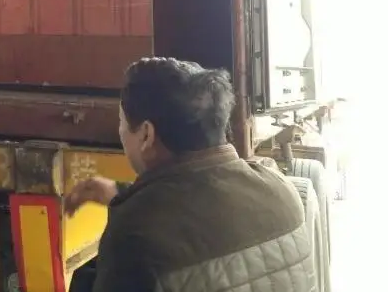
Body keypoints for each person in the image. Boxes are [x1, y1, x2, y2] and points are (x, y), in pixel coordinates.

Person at [64, 58, 316, 292]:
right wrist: (122, 195)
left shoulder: (135, 235)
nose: (120, 131)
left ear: (146, 135)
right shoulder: (283, 191)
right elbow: (206, 218)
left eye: (121, 122)